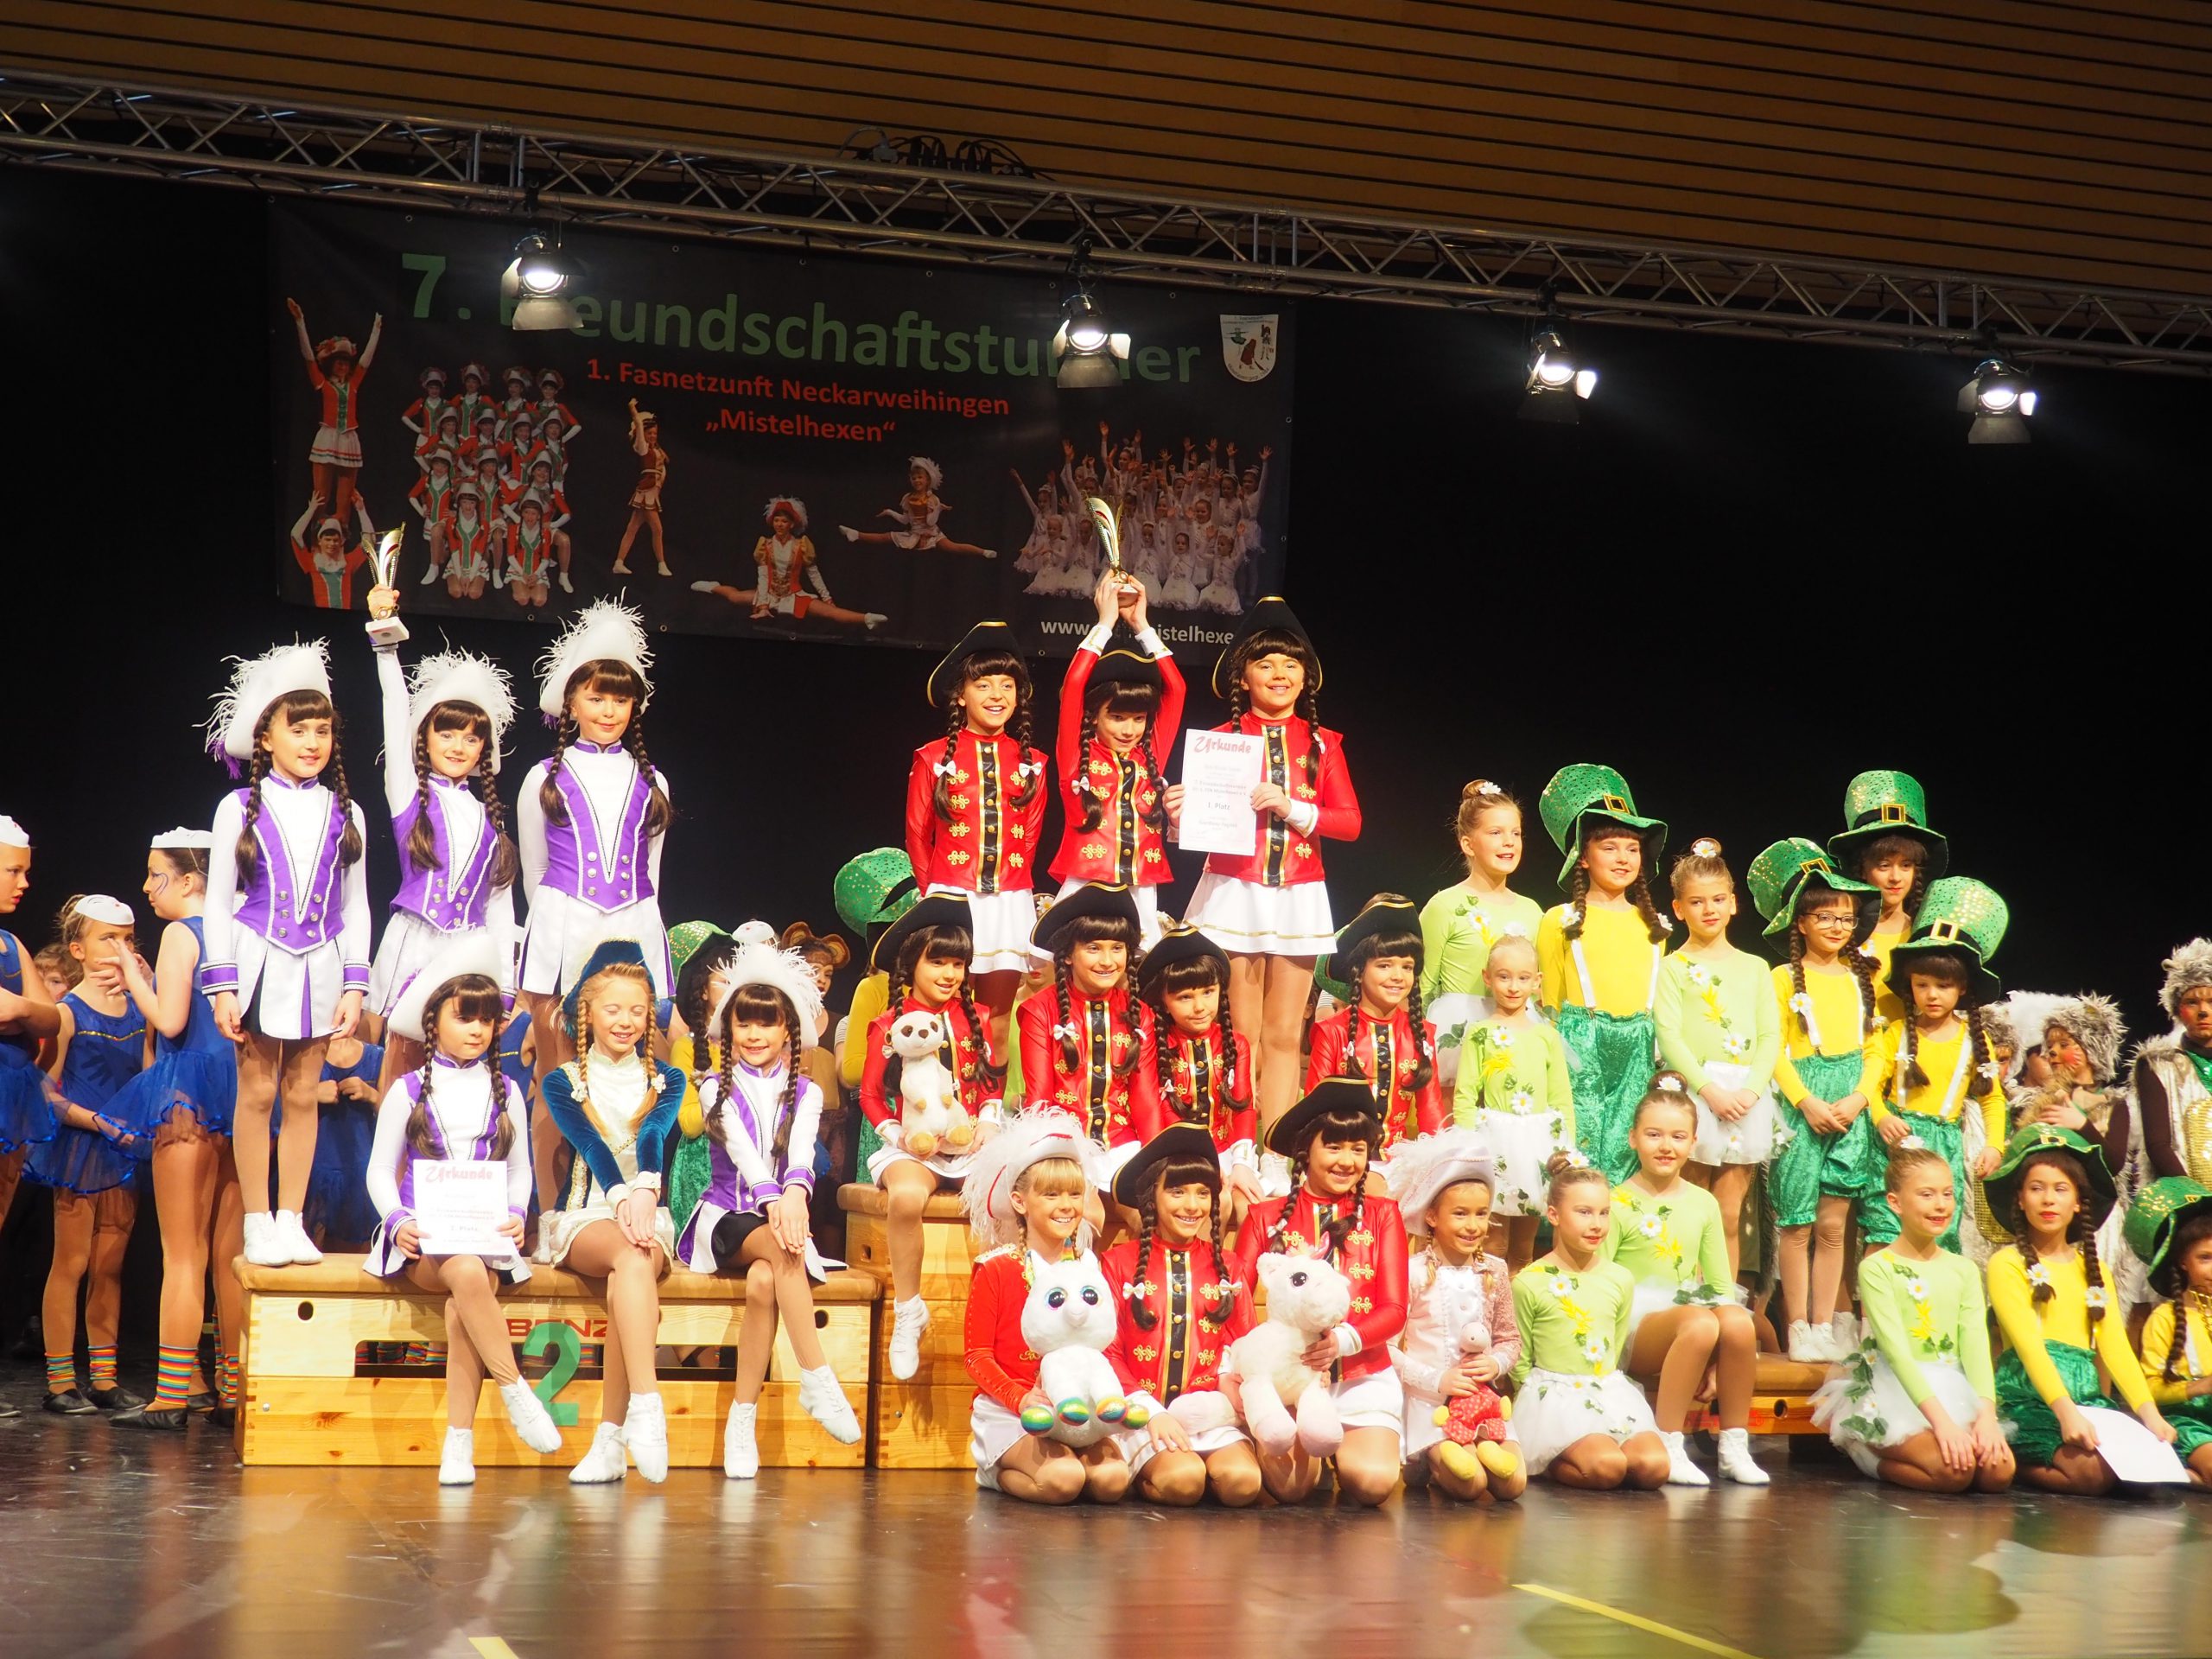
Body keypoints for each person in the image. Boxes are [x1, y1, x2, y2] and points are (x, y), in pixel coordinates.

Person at [361, 938, 562, 1484]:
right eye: (464, 1017)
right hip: (423, 1242)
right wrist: (398, 1221)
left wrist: (517, 1212)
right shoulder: (406, 1090)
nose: (477, 1029)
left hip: (483, 1236)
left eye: (487, 1019)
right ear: (434, 1022)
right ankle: (515, 1389)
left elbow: (519, 1169)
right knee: (467, 1273)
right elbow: (379, 1169)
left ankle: (458, 1445)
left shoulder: (506, 1090)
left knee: (463, 1306)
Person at [200, 639, 371, 1271]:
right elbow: (219, 901)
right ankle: (257, 1220)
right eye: (298, 729)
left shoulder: (346, 810)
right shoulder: (237, 807)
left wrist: (355, 984)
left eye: (322, 730)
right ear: (266, 737)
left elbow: (356, 905)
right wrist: (222, 985)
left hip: (321, 964)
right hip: (259, 961)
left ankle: (292, 1219)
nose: (312, 741)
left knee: (303, 1094)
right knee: (257, 1092)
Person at [672, 941, 863, 1477]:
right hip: (727, 1217)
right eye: (744, 1023)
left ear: (788, 1031)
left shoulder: (806, 1092)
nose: (755, 1034)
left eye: (767, 1023)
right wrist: (777, 1201)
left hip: (780, 1219)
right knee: (783, 1247)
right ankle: (817, 1376)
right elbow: (745, 1157)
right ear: (729, 1028)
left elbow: (801, 1153)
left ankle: (741, 1421)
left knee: (764, 1283)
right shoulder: (714, 1087)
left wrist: (797, 1194)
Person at [518, 601, 672, 1247]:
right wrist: (555, 939)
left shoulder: (653, 779)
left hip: (635, 927)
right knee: (558, 1083)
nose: (609, 710)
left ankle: (631, 1206)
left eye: (620, 699)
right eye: (595, 697)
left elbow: (652, 872)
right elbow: (534, 871)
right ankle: (551, 1215)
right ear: (571, 701)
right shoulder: (543, 777)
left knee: (639, 1080)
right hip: (562, 929)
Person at [1180, 600, 1361, 1131]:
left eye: (1291, 663)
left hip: (1298, 895)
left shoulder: (1324, 744)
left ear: (1306, 676)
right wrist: (1177, 815)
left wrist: (1291, 807)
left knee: (1285, 1034)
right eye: (1265, 664)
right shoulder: (1220, 742)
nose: (1280, 674)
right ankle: (1237, 1142)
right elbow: (1200, 828)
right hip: (1235, 890)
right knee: (1241, 1031)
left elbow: (1350, 822)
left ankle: (1276, 1147)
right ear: (1243, 678)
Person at [108, 830, 242, 1428]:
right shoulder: (241, 929)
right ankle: (233, 1391)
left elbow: (169, 1019)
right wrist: (150, 976)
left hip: (188, 1096)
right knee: (230, 1256)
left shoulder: (181, 932)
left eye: (154, 874)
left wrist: (132, 976)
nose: (146, 887)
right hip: (239, 1096)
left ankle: (170, 1397)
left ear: (189, 880)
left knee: (183, 1254)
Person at [361, 586, 518, 1094]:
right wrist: (386, 645)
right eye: (447, 733)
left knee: (455, 1079)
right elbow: (393, 713)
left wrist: (506, 985)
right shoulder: (410, 793)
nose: (458, 746)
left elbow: (500, 910)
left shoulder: (490, 821)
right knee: (395, 1069)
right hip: (413, 943)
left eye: (471, 738)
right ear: (424, 737)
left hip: (468, 954)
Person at [540, 940, 686, 1485]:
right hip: (587, 1214)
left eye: (637, 1011)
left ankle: (610, 1439)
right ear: (588, 1014)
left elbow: (653, 1134)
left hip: (646, 1213)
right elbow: (592, 1146)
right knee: (630, 1253)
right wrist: (624, 1197)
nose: (626, 1021)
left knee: (635, 1262)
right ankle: (648, 1406)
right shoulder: (564, 1081)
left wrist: (646, 1191)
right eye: (613, 1010)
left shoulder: (667, 1078)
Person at [1230, 1077, 1408, 1507]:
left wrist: (1341, 1343)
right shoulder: (1263, 1216)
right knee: (1292, 1488)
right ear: (1305, 1151)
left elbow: (1395, 1308)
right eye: (1334, 1147)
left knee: (1372, 1483)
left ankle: (1345, 1453)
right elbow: (1236, 1299)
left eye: (1358, 1149)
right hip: (1286, 1377)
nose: (1347, 1161)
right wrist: (1261, 1364)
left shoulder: (1383, 1215)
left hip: (1361, 1373)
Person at [857, 895, 1007, 1381]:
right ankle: (909, 1311)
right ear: (912, 964)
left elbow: (991, 1083)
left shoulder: (977, 1016)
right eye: (937, 962)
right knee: (905, 1198)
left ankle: (1009, 1313)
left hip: (971, 1142)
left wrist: (988, 1121)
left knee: (1014, 1197)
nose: (949, 974)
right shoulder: (888, 1024)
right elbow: (869, 1094)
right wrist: (898, 1134)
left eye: (958, 964)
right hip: (917, 1146)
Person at [1747, 836, 1885, 1361]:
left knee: (1833, 1225)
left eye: (1845, 918)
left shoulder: (1860, 979)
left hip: (1850, 1104)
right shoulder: (1782, 978)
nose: (1836, 926)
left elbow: (1876, 1049)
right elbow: (1773, 1047)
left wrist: (1860, 1098)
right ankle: (1798, 1325)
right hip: (1803, 1106)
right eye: (1824, 916)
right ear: (1800, 922)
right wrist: (1804, 1100)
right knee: (1796, 1222)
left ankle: (1825, 1324)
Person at [1983, 1123, 2176, 1493]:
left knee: (2143, 1474)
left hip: (2087, 1400)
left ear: (2077, 1203)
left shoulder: (2094, 1269)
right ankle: (2013, 1463)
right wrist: (2066, 1412)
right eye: (2036, 1189)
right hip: (2030, 1400)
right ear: (2020, 1199)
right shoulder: (2007, 1263)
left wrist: (2149, 1414)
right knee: (2092, 1475)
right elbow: (2029, 1346)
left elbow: (2115, 1346)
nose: (2048, 1200)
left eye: (2060, 1190)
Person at [1809, 1145, 2014, 1492]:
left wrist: (1986, 1416)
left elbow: (1976, 1344)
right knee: (1954, 1473)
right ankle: (1870, 1458)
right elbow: (1897, 1353)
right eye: (1927, 1195)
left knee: (1998, 1473)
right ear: (1895, 1202)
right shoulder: (1878, 1268)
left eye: (1947, 1194)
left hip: (1953, 1386)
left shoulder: (1962, 1269)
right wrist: (1943, 1425)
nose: (1941, 1205)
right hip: (1897, 1390)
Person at [1604, 1075, 1767, 1485]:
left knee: (1737, 1320)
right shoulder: (1617, 1202)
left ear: (1693, 1143)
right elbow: (1601, 1282)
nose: (1666, 1146)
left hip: (1691, 1319)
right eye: (1654, 1135)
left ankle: (1734, 1444)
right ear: (1633, 1138)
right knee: (1699, 1322)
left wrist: (1718, 1358)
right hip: (1636, 1326)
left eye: (1678, 1137)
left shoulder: (1703, 1203)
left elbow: (1719, 1287)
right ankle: (1669, 1442)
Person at [960, 1107, 1128, 1503]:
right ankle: (996, 1473)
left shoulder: (1089, 1268)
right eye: (1051, 1195)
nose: (1066, 1205)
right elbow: (977, 1356)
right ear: (1020, 1202)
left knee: (1113, 1480)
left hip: (1076, 1409)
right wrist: (1019, 1398)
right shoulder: (997, 1269)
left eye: (1075, 1194)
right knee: (1063, 1480)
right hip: (1016, 1408)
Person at [29, 895, 148, 1415]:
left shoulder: (141, 1008)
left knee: (110, 1265)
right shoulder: (68, 1012)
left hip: (126, 1150)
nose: (119, 948)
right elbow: (46, 1092)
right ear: (78, 949)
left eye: (127, 939)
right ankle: (60, 1381)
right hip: (82, 1148)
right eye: (107, 938)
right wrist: (96, 1121)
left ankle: (104, 1378)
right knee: (72, 1262)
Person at [1101, 1123, 1262, 1506]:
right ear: (1151, 1197)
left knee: (1243, 1483)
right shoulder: (1116, 1263)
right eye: (1177, 1192)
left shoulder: (1229, 1266)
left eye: (1203, 1193)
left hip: (1207, 1413)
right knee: (1184, 1481)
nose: (1192, 1206)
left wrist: (1231, 1386)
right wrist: (1151, 1412)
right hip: (1141, 1413)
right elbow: (1107, 1352)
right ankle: (1144, 1472)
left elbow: (1245, 1346)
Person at [905, 621, 1049, 1037]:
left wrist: (1011, 883)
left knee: (996, 1022)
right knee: (945, 1018)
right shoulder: (933, 758)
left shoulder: (1034, 762)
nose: (996, 695)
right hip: (951, 897)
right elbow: (918, 835)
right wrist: (935, 901)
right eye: (983, 685)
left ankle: (992, 1085)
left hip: (1010, 901)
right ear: (961, 695)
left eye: (1007, 685)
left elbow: (1031, 836)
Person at [1856, 878, 2010, 1258]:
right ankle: (1875, 1298)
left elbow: (1992, 1099)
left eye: (1943, 985)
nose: (1932, 995)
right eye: (1922, 985)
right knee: (1883, 1228)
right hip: (1895, 1143)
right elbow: (1870, 1085)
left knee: (1934, 1238)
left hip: (1943, 1147)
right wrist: (1880, 1118)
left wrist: (1993, 1145)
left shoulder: (1974, 1040)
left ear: (1962, 989)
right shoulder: (1894, 1032)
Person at [1652, 839, 1779, 1287]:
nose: (1709, 909)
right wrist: (1708, 1091)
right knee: (1690, 1204)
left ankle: (1723, 1297)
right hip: (1697, 1093)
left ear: (1733, 903)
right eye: (1697, 901)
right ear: (1678, 908)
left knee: (1728, 1212)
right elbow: (1669, 1034)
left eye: (1718, 899)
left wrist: (1750, 1091)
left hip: (1745, 1097)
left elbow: (1770, 1036)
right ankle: (1682, 1296)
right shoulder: (1673, 966)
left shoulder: (1755, 967)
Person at [1535, 764, 1670, 1183]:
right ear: (1584, 856)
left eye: (1632, 849)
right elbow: (1548, 1005)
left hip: (1638, 1049)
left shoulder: (1654, 926)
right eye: (1610, 847)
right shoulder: (1559, 920)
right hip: (1580, 1046)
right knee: (1580, 1151)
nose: (1623, 858)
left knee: (1627, 1154)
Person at [1382, 1128, 1527, 1502]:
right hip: (1432, 1404)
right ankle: (1425, 1459)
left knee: (1512, 1484)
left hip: (1482, 1403)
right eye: (1460, 1214)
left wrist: (1495, 1364)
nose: (1473, 1226)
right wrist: (1438, 1380)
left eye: (1481, 1214)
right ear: (1432, 1216)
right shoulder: (1413, 1272)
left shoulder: (1494, 1270)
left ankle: (1475, 1447)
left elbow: (1510, 1339)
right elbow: (1386, 1349)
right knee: (1471, 1483)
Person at [1510, 1163, 1668, 1490]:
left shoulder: (1619, 1279)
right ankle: (1547, 1462)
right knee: (1607, 1468)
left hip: (1607, 1390)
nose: (1597, 1225)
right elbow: (1519, 1359)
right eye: (1584, 1212)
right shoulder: (1530, 1282)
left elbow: (1616, 1343)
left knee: (1654, 1468)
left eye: (1604, 1213)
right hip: (1555, 1396)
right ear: (1554, 1215)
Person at [1048, 575, 1183, 945]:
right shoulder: (1077, 756)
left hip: (1141, 887)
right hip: (1085, 882)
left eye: (1138, 719)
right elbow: (1075, 685)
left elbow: (1177, 689)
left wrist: (1142, 625)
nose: (1129, 729)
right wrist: (1105, 623)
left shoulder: (1149, 756)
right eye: (1117, 717)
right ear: (1094, 716)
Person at [1019, 884, 1153, 1225]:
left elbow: (1146, 1099)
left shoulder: (1140, 1014)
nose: (1107, 961)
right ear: (1068, 955)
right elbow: (1039, 1099)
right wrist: (1056, 1158)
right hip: (1064, 1144)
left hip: (1123, 1144)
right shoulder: (1040, 1010)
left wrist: (1156, 1160)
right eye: (1093, 948)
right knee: (1087, 1214)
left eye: (1117, 949)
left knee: (1152, 1213)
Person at [1451, 933, 1573, 1270]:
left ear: (1537, 981)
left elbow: (1561, 1097)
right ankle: (1489, 1298)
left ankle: (1518, 1302)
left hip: (1536, 1147)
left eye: (1523, 978)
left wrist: (1566, 1148)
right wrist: (1468, 1147)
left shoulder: (1546, 1036)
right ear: (1488, 978)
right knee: (1494, 1242)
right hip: (1495, 1144)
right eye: (1504, 977)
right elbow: (1465, 1094)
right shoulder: (1480, 1032)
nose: (1513, 987)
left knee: (1523, 1247)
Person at [1128, 925, 1260, 1230]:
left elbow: (1244, 1108)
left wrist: (1241, 1164)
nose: (1200, 1006)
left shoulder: (1236, 1043)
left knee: (1252, 1207)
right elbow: (1155, 1110)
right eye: (1185, 997)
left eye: (1208, 992)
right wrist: (1197, 1161)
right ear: (1163, 1000)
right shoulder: (1153, 1044)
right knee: (1217, 1202)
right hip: (1175, 1154)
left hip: (1227, 1153)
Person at [1418, 779, 1541, 1091]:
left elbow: (1539, 986)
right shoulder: (1444, 906)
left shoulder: (1532, 911)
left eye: (1516, 833)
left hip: (1518, 1031)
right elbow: (1422, 985)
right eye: (1496, 833)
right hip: (1457, 1033)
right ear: (1468, 844)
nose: (1509, 842)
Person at [1303, 895, 1443, 1159]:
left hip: (1400, 1161)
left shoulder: (1421, 1034)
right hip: (1343, 1159)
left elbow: (1431, 1111)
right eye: (1384, 966)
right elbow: (1315, 1113)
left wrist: (1437, 1163)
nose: (1398, 976)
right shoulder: (1333, 1032)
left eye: (1407, 967)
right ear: (1359, 971)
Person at [1827, 771, 1947, 1027]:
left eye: (1906, 865)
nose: (1895, 878)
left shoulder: (1925, 935)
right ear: (1862, 869)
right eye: (1883, 866)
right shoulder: (1840, 932)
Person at [2126, 1177, 2212, 1484]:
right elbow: (2149, 1389)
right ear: (2183, 1262)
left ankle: (2188, 1479)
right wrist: (2200, 1387)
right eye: (2205, 1258)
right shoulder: (2165, 1318)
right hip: (2188, 1423)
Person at [690, 498, 886, 631]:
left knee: (829, 613)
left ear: (791, 524)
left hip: (793, 595)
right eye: (776, 520)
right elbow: (763, 576)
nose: (779, 524)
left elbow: (814, 573)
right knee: (735, 597)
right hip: (769, 593)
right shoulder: (765, 545)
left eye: (784, 521)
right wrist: (763, 605)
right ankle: (713, 587)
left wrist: (827, 599)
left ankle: (867, 619)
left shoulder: (802, 545)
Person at [284, 298, 381, 526]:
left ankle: (342, 537)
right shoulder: (323, 384)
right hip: (327, 436)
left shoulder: (353, 384)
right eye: (339, 362)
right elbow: (308, 357)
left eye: (346, 363)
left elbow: (366, 360)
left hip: (348, 438)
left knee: (345, 500)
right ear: (331, 364)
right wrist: (300, 321)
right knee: (320, 496)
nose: (343, 366)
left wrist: (376, 331)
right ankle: (316, 537)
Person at [840, 456, 996, 558]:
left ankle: (983, 552)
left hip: (931, 534)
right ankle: (856, 534)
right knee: (885, 537)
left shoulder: (932, 499)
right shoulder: (907, 498)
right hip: (914, 533)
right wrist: (889, 512)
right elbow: (905, 520)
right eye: (914, 478)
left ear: (927, 480)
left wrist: (937, 509)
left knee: (953, 547)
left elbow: (930, 522)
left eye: (920, 477)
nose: (917, 480)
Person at [612, 399, 671, 576]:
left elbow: (661, 472)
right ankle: (661, 564)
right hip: (646, 493)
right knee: (657, 529)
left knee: (632, 528)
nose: (653, 436)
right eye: (649, 433)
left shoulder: (657, 450)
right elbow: (638, 422)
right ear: (643, 434)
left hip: (653, 492)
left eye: (655, 433)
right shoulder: (642, 448)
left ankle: (619, 562)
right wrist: (632, 408)